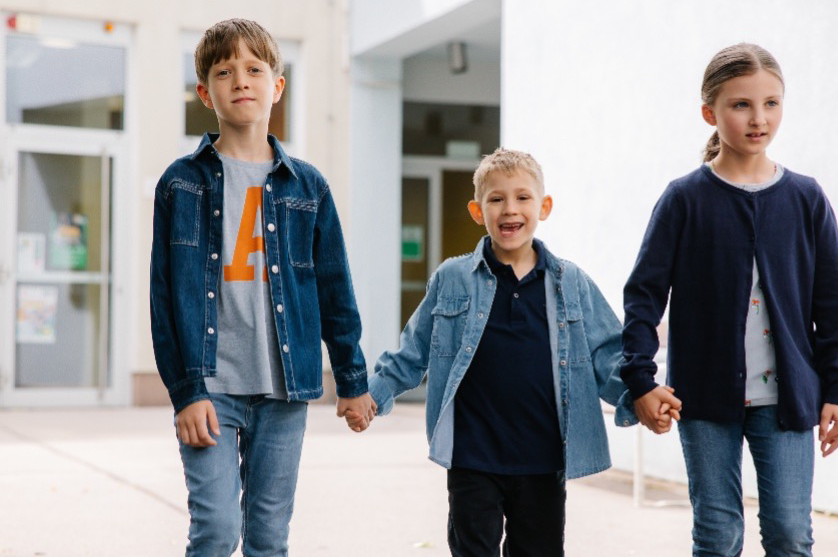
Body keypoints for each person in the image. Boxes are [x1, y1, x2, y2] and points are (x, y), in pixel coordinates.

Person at [149, 18, 374, 556]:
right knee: (216, 531)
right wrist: (186, 393)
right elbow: (163, 300)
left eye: (254, 69)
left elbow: (335, 289)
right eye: (225, 72)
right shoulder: (180, 183)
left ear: (278, 85)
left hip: (283, 391)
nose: (241, 81)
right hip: (210, 388)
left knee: (270, 539)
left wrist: (352, 377)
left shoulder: (309, 187)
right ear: (206, 92)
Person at [346, 148, 642, 556]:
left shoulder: (570, 281)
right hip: (472, 458)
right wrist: (371, 396)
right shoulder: (452, 278)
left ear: (545, 206)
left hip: (543, 460)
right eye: (496, 199)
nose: (510, 209)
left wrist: (641, 398)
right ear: (476, 210)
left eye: (522, 197)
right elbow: (412, 353)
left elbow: (608, 355)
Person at [621, 43, 838, 557]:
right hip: (703, 398)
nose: (759, 118)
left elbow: (831, 306)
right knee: (718, 536)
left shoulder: (806, 198)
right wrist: (640, 380)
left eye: (771, 103)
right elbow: (643, 297)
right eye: (741, 105)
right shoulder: (684, 199)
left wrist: (835, 387)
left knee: (790, 533)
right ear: (709, 113)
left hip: (787, 401)